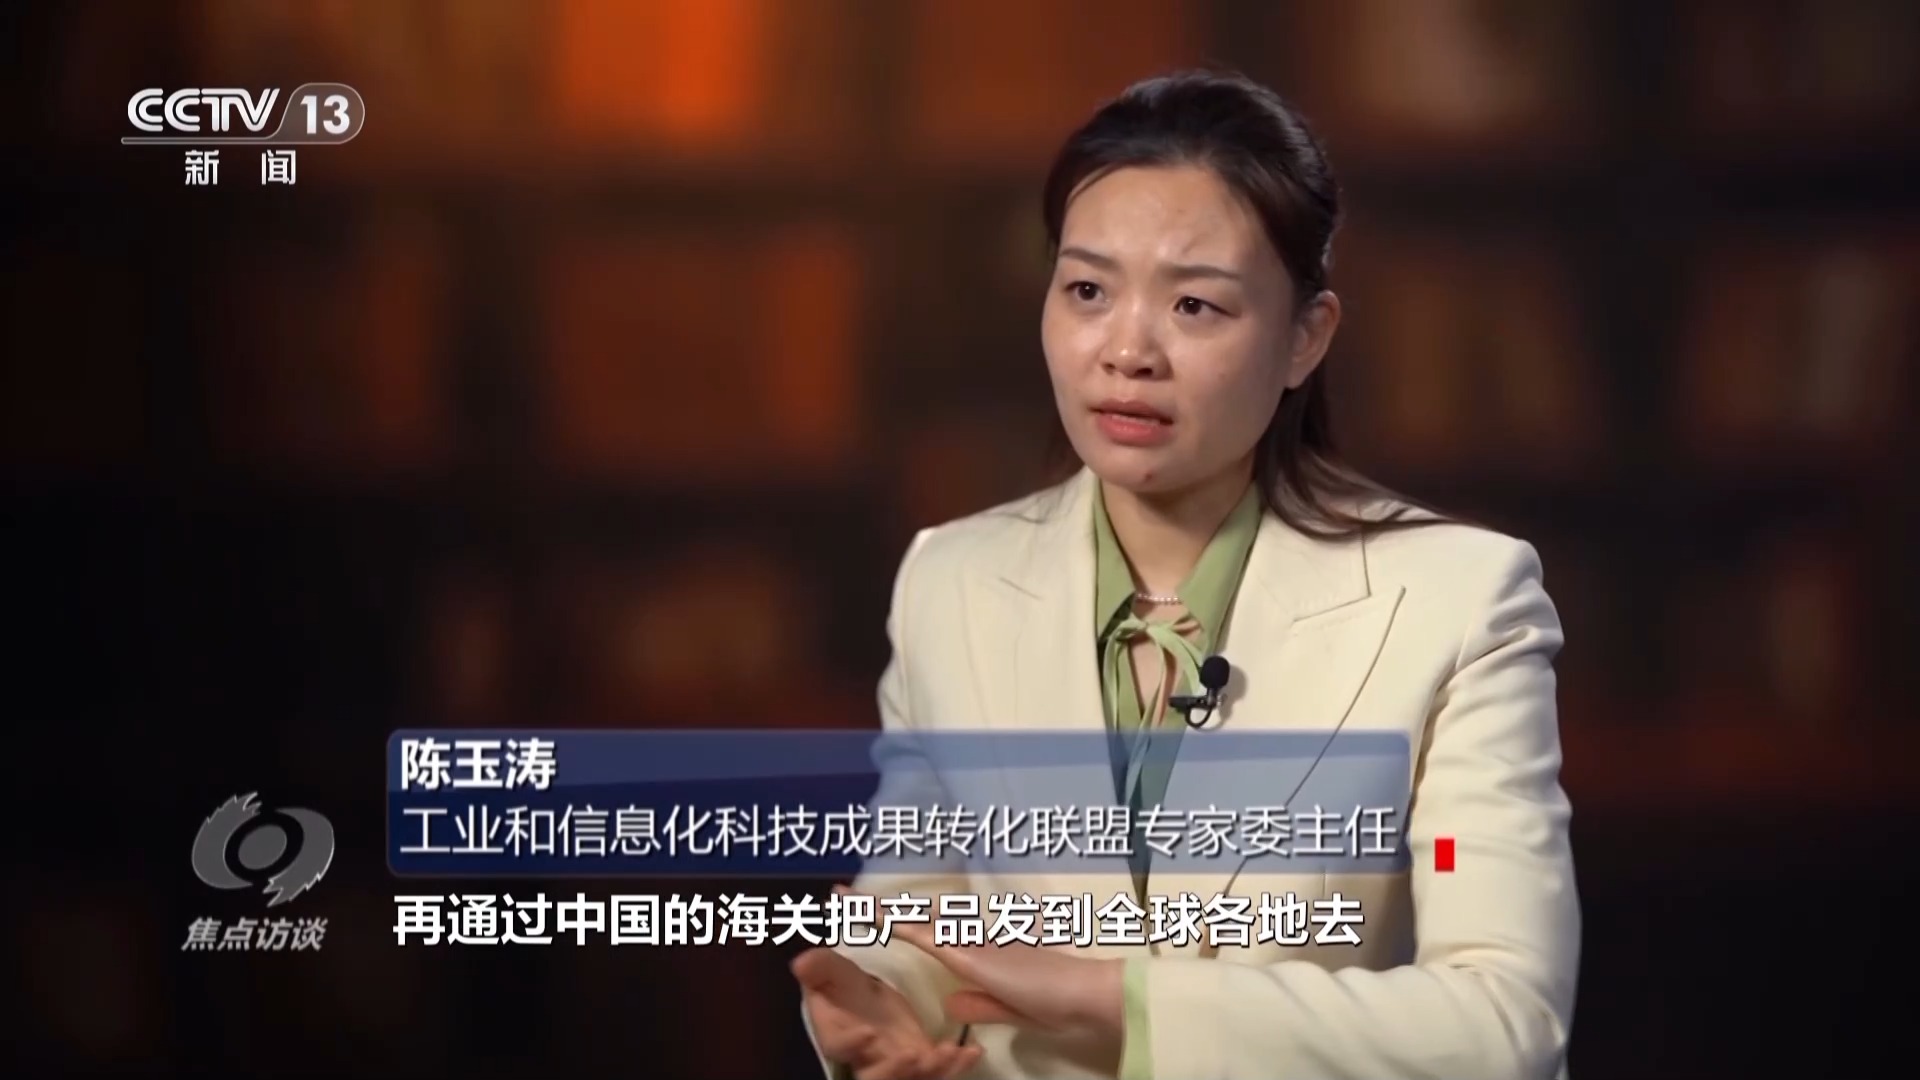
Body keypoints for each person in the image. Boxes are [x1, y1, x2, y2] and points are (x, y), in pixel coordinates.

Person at [791, 68, 1580, 1080]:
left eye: (1196, 305)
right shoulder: (951, 583)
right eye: (1087, 291)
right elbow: (919, 912)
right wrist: (882, 1000)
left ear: (1304, 339)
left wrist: (1120, 1001)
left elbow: (1505, 1024)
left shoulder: (1458, 604)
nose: (1127, 351)